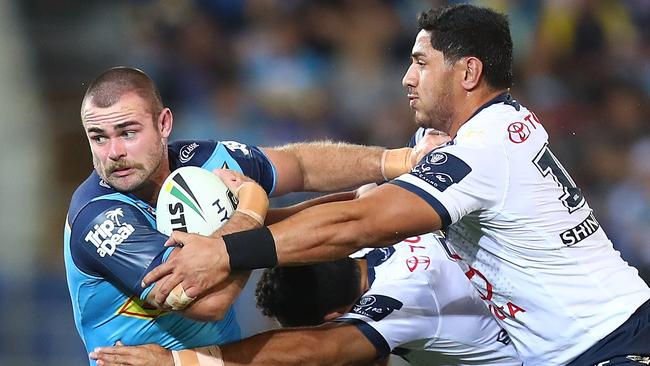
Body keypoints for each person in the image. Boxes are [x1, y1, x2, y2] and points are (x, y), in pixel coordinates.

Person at [143, 5, 650, 365]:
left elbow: (360, 224)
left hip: (610, 344)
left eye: (421, 62)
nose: (407, 77)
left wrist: (230, 249)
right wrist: (254, 220)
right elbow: (365, 202)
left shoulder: (482, 149)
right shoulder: (471, 135)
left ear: (468, 71)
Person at [64, 66, 440, 364]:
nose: (113, 152)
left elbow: (299, 165)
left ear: (164, 124)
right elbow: (210, 303)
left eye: (128, 132)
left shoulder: (201, 160)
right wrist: (251, 208)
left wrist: (397, 162)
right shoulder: (99, 217)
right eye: (98, 137)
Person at [90, 232, 522, 366]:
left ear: (332, 316)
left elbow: (309, 349)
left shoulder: (396, 307)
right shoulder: (386, 231)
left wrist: (175, 362)